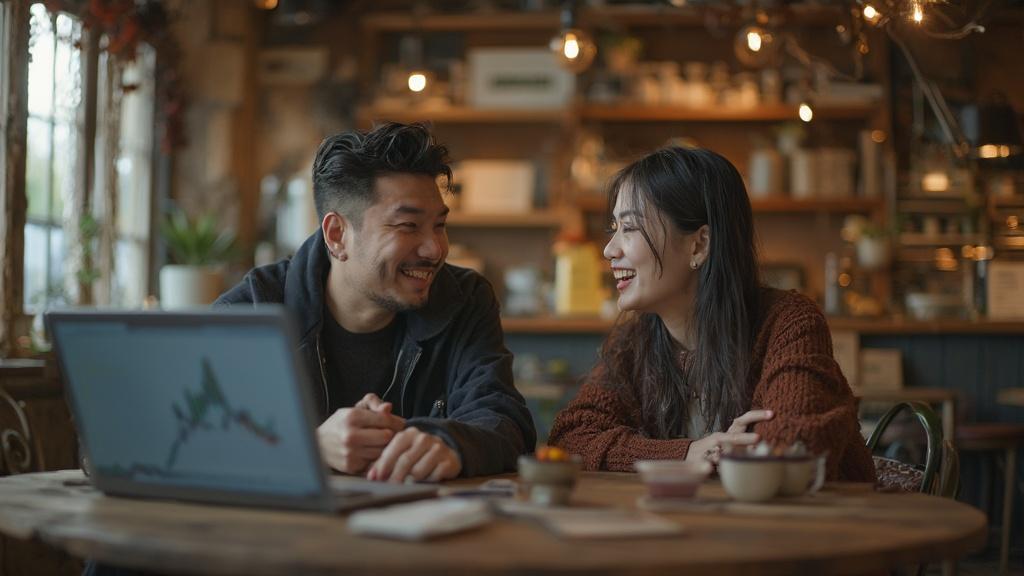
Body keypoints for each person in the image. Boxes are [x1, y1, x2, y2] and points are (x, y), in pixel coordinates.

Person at [216, 122, 536, 482]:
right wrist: (308, 446)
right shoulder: (253, 309)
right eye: (407, 226)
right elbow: (193, 436)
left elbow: (507, 418)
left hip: (422, 531)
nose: (435, 249)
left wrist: (452, 443)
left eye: (439, 225)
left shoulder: (464, 300)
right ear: (337, 235)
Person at [547, 146, 875, 482]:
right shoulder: (634, 340)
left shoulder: (788, 323)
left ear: (699, 245)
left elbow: (791, 449)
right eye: (614, 228)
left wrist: (713, 456)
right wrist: (688, 452)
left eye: (629, 228)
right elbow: (570, 439)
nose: (609, 249)